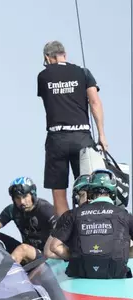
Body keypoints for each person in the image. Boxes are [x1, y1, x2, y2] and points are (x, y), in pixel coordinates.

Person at [37, 40, 108, 217]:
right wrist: (102, 135)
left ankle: (65, 235)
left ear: (47, 57)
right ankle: (89, 227)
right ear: (65, 55)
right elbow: (95, 102)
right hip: (82, 136)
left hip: (56, 138)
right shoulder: (83, 73)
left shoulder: (43, 76)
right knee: (88, 187)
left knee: (59, 191)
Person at [45, 169, 133, 279]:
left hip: (80, 274)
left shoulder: (73, 214)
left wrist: (74, 256)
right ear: (113, 192)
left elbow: (53, 247)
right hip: (116, 274)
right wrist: (124, 254)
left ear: (90, 191)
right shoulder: (124, 215)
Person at [0, 177, 57, 265]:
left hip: (46, 257)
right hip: (26, 251)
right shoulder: (12, 210)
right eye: (18, 198)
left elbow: (62, 232)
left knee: (22, 249)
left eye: (25, 196)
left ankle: (6, 276)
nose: (22, 202)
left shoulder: (45, 209)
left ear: (32, 194)